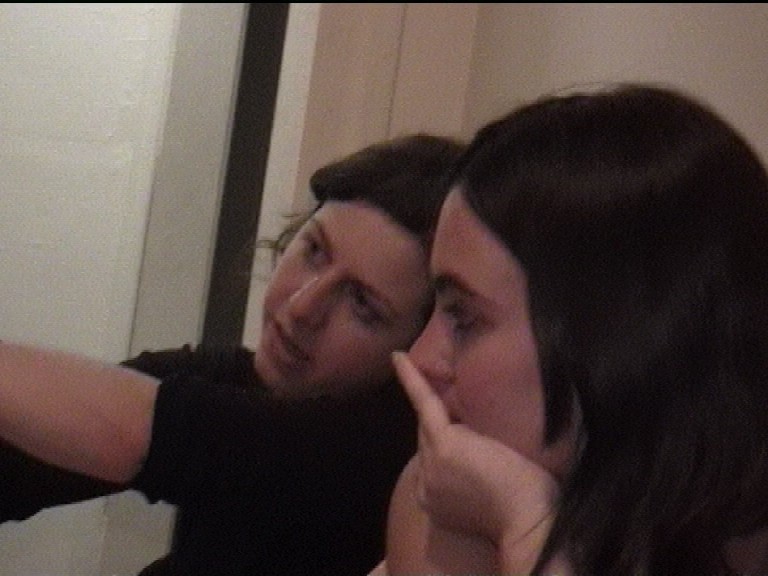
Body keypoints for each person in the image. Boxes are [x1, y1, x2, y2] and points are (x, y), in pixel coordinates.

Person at [0, 132, 465, 576]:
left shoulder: (378, 457)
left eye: (361, 303)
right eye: (314, 250)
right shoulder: (248, 381)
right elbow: (28, 460)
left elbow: (152, 432)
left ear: (417, 348)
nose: (302, 306)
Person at [375, 83, 768, 575]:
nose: (418, 359)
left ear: (615, 338)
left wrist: (525, 521)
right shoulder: (450, 504)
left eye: (464, 317)